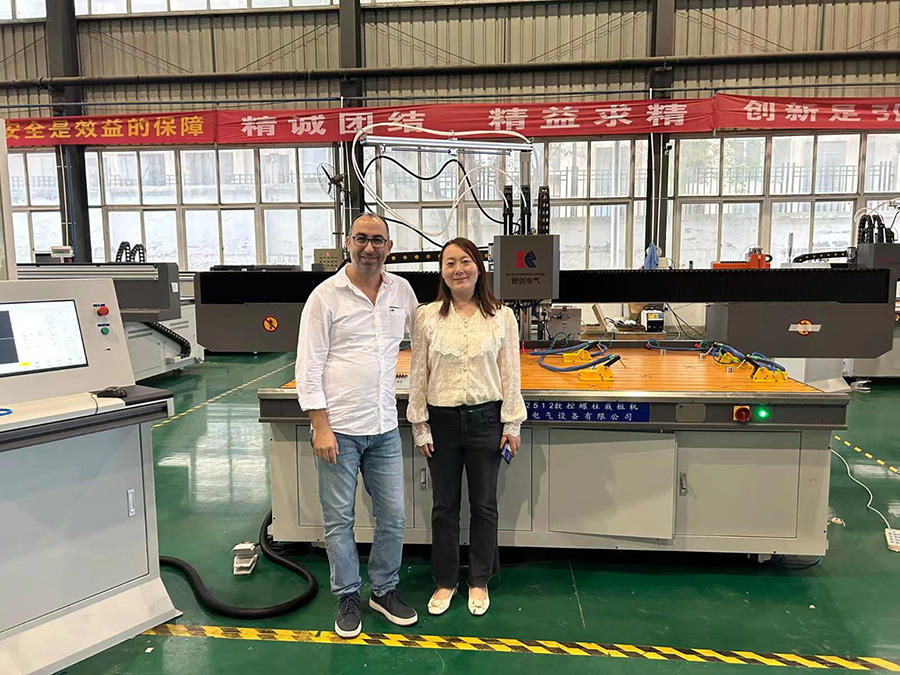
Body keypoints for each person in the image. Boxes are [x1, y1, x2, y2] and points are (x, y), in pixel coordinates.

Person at [295, 213, 419, 639]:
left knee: (394, 517)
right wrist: (320, 425)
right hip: (339, 429)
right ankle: (347, 594)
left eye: (378, 240)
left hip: (384, 426)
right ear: (347, 242)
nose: (369, 248)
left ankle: (383, 590)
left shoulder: (401, 291)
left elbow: (426, 338)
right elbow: (308, 365)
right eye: (361, 239)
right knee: (339, 520)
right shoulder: (325, 297)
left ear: (389, 247)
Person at [407, 237, 527, 617]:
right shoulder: (426, 317)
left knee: (484, 505)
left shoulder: (502, 317)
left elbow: (511, 374)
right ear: (442, 272)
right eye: (450, 263)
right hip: (440, 424)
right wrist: (419, 424)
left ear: (479, 267)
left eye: (465, 261)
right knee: (444, 507)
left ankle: (478, 580)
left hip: (486, 422)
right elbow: (418, 373)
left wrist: (512, 424)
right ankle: (445, 580)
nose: (458, 269)